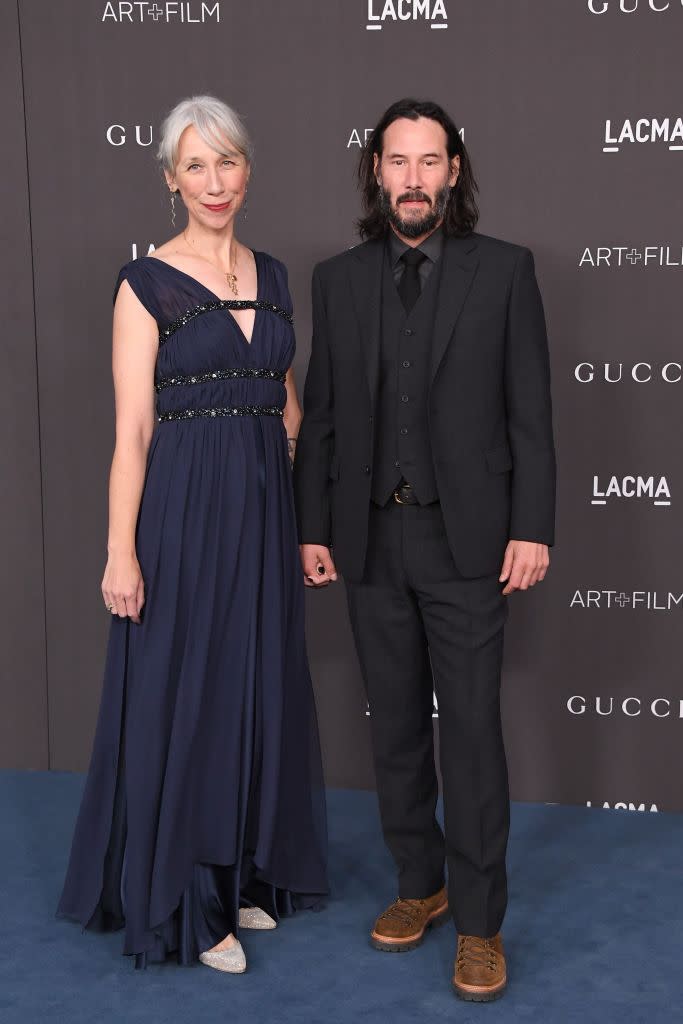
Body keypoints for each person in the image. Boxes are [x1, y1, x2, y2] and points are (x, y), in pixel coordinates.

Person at [57, 95, 328, 973]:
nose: (215, 182)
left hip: (262, 512)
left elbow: (286, 405)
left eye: (229, 162)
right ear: (171, 179)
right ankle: (187, 899)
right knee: (192, 697)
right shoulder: (145, 284)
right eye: (196, 166)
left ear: (249, 170)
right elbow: (132, 430)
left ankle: (241, 870)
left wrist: (300, 511)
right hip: (182, 512)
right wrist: (119, 549)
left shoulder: (277, 276)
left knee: (256, 687)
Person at [293, 97, 555, 1002]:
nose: (412, 178)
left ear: (453, 171)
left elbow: (530, 416)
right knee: (395, 729)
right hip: (368, 540)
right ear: (377, 172)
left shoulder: (507, 271)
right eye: (397, 162)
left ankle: (480, 926)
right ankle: (421, 886)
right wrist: (313, 526)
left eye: (429, 161)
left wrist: (532, 525)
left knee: (472, 736)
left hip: (469, 545)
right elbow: (321, 416)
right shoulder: (336, 279)